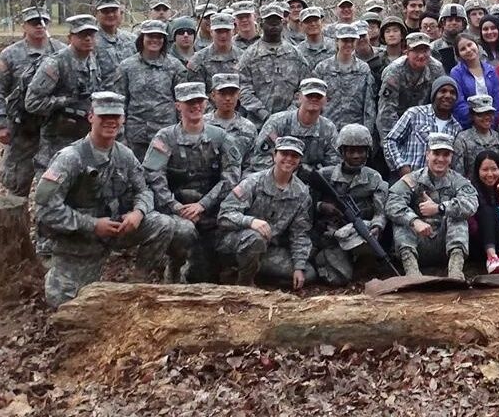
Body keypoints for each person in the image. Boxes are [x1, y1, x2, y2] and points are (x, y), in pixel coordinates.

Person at [35, 92, 174, 306]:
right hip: (80, 239)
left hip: (116, 229)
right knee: (64, 304)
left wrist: (138, 212)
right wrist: (92, 225)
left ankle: (140, 281)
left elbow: (144, 189)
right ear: (91, 117)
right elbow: (45, 210)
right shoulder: (70, 158)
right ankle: (57, 271)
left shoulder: (124, 155)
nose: (111, 121)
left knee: (163, 224)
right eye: (104, 116)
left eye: (116, 116)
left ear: (123, 119)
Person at [143, 82, 243, 283]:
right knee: (183, 231)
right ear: (178, 105)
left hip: (211, 212)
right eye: (189, 102)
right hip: (176, 211)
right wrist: (176, 207)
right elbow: (154, 175)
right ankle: (173, 263)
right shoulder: (165, 137)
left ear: (206, 103)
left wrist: (203, 205)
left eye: (199, 101)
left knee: (204, 276)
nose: (195, 106)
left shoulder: (220, 137)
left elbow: (231, 176)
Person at [0, 6, 64, 196]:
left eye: (43, 22)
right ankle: (14, 225)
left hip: (55, 130)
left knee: (55, 186)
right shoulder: (11, 55)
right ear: (24, 26)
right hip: (23, 131)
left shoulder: (61, 52)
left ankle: (49, 224)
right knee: (17, 184)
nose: (39, 26)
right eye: (34, 23)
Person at [217, 136, 314, 289]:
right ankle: (244, 284)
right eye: (284, 154)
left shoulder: (301, 193)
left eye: (294, 156)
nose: (289, 159)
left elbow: (300, 233)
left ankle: (250, 273)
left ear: (299, 161)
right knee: (255, 238)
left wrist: (299, 267)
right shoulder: (253, 182)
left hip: (268, 249)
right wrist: (251, 222)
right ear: (274, 156)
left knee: (308, 274)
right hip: (235, 243)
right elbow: (224, 215)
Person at [386, 133, 478, 279]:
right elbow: (392, 203)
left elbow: (471, 204)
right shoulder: (412, 179)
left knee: (458, 217)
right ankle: (412, 273)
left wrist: (439, 208)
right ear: (427, 154)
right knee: (402, 221)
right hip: (417, 242)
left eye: (446, 154)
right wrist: (414, 221)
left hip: (446, 245)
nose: (440, 159)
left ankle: (455, 271)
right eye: (436, 153)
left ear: (451, 157)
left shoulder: (458, 181)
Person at [309, 124, 390, 287]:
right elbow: (306, 204)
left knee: (368, 242)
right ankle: (323, 258)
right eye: (351, 151)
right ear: (342, 152)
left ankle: (364, 263)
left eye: (361, 151)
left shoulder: (374, 178)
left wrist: (377, 227)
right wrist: (321, 206)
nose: (356, 155)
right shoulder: (325, 175)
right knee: (339, 279)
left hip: (358, 233)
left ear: (367, 152)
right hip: (329, 235)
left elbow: (380, 212)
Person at [25, 15, 104, 172]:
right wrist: (66, 101)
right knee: (52, 190)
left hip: (84, 138)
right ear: (70, 37)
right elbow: (32, 103)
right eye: (82, 35)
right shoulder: (55, 63)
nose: (88, 39)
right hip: (56, 141)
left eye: (91, 35)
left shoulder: (92, 60)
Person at [110, 20, 187, 160]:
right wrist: (120, 135)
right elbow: (119, 104)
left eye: (159, 37)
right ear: (142, 38)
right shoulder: (126, 67)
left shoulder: (175, 66)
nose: (155, 40)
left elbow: (182, 103)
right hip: (136, 135)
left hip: (167, 133)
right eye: (150, 36)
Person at [248, 78, 341, 175]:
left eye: (318, 96)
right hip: (275, 178)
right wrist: (286, 174)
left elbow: (334, 164)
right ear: (299, 97)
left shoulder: (328, 129)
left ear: (325, 100)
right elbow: (260, 158)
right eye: (309, 95)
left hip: (312, 182)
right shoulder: (277, 122)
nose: (314, 99)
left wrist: (317, 175)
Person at [238, 3, 309, 124]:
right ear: (261, 24)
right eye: (270, 22)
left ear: (283, 23)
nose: (274, 26)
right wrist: (263, 114)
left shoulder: (295, 54)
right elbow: (243, 90)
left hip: (291, 121)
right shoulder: (250, 55)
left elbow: (304, 87)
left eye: (277, 22)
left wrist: (289, 113)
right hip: (258, 122)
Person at [384, 77, 460, 179]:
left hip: (436, 185)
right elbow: (390, 140)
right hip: (405, 180)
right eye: (443, 91)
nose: (448, 95)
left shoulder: (457, 128)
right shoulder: (414, 114)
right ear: (434, 94)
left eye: (452, 93)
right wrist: (401, 166)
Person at [376, 32, 446, 138]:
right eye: (416, 51)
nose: (421, 55)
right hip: (398, 123)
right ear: (407, 52)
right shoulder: (394, 72)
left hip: (426, 125)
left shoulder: (436, 69)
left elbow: (441, 103)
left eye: (425, 50)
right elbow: (387, 111)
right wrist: (391, 141)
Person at [312, 23, 377, 135]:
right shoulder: (322, 68)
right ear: (337, 42)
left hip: (356, 131)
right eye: (344, 40)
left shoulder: (363, 69)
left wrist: (368, 133)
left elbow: (369, 106)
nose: (348, 44)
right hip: (327, 130)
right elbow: (314, 102)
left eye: (352, 41)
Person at [450, 33, 499, 128]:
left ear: (477, 45)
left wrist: (490, 121)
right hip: (468, 126)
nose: (468, 50)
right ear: (459, 55)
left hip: (491, 124)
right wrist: (476, 120)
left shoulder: (491, 70)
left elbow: (497, 101)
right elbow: (459, 103)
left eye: (470, 45)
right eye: (463, 49)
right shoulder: (456, 73)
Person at [205, 73, 258, 158]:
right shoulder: (203, 125)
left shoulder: (249, 128)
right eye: (222, 94)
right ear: (213, 96)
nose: (228, 98)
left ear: (238, 95)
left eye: (232, 94)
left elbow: (253, 162)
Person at [187, 12, 241, 93]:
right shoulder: (198, 60)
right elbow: (197, 95)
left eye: (227, 31)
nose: (223, 35)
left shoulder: (244, 58)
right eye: (218, 31)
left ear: (233, 32)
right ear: (211, 32)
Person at [91, 0, 136, 87]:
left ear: (120, 12)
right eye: (105, 11)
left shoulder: (132, 40)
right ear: (96, 13)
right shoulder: (90, 42)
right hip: (104, 98)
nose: (110, 15)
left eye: (114, 10)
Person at [454, 95, 499, 177]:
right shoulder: (462, 139)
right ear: (472, 115)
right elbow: (458, 172)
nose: (487, 117)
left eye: (490, 113)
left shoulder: (498, 136)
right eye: (481, 114)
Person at [430, 3, 468, 73]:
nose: (454, 23)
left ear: (463, 24)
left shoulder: (471, 47)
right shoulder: (433, 48)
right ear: (443, 23)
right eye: (450, 20)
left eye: (458, 20)